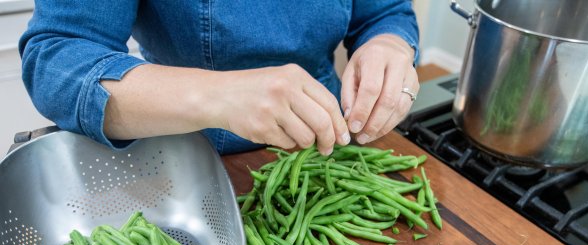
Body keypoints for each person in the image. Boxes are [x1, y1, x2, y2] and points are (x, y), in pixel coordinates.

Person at [19, 1, 420, 156]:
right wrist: (216, 96)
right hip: (187, 160)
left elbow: (384, 13)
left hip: (330, 148)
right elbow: (56, 56)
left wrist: (391, 46)